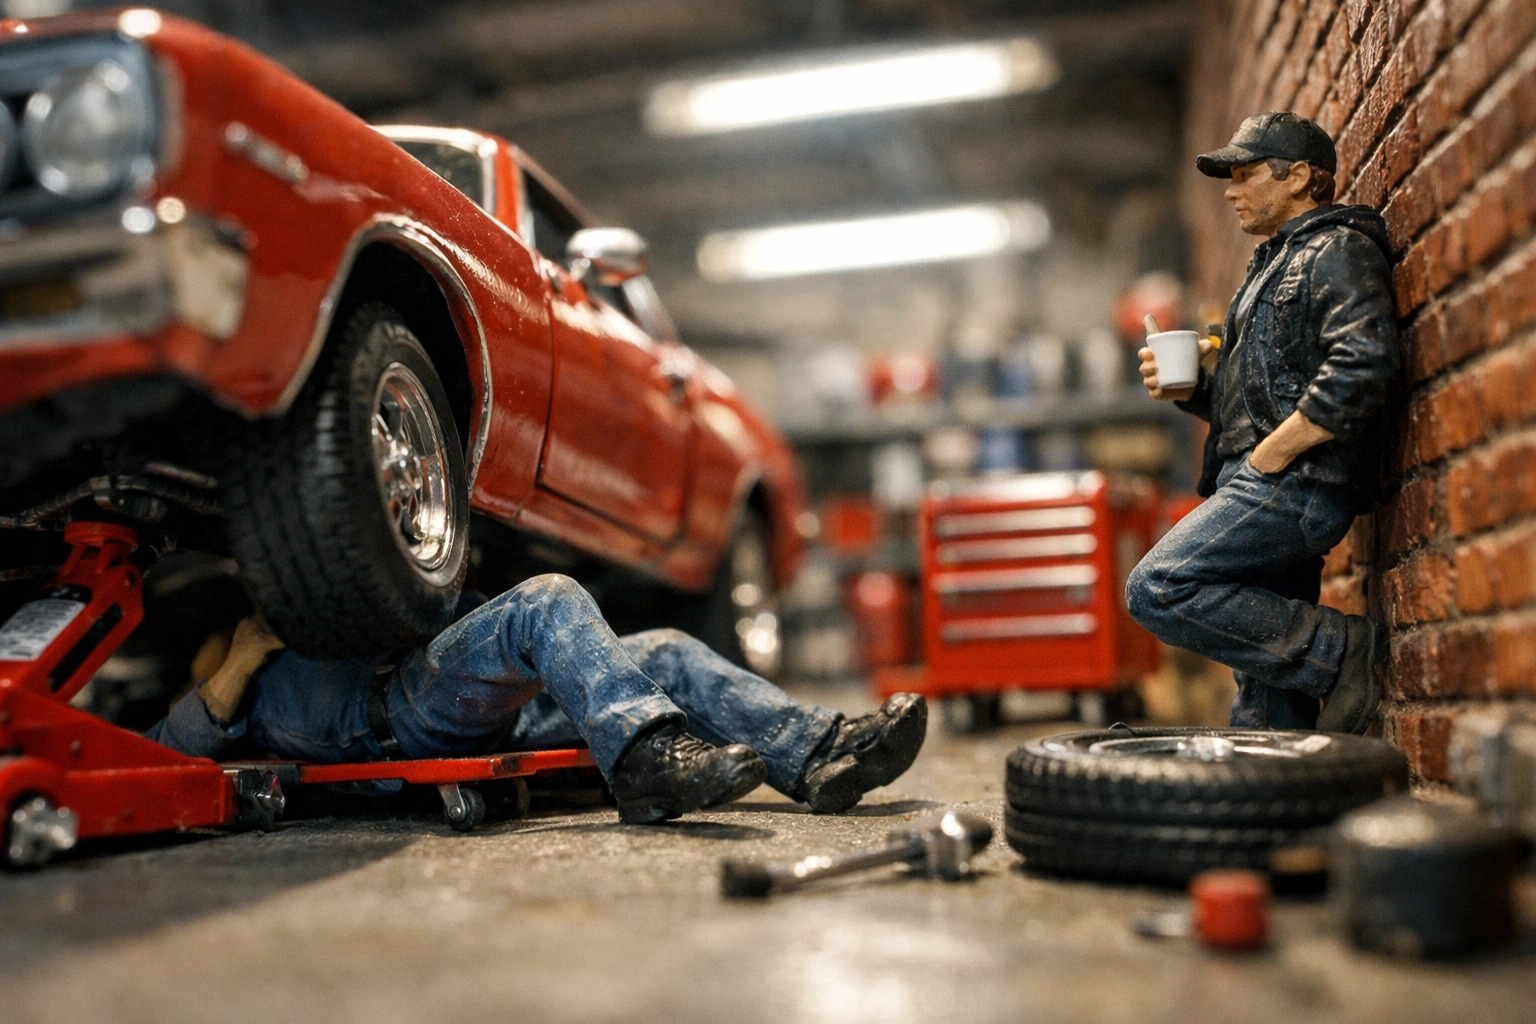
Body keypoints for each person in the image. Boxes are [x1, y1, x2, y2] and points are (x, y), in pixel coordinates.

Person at [147, 574, 927, 824]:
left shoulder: (323, 615)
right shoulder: (234, 666)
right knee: (543, 602)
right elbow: (170, 753)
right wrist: (241, 653)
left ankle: (823, 754)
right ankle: (648, 763)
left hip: (456, 699)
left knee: (661, 650)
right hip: (398, 716)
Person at [1125, 111, 1400, 733]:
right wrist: (1192, 387)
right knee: (1268, 702)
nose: (1231, 190)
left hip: (1291, 483)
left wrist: (1279, 449)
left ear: (1299, 176)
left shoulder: (1336, 250)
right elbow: (1254, 400)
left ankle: (1338, 651)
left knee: (1160, 586)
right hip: (1263, 477)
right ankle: (1281, 800)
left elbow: (1366, 360)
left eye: (1246, 174)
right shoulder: (1271, 266)